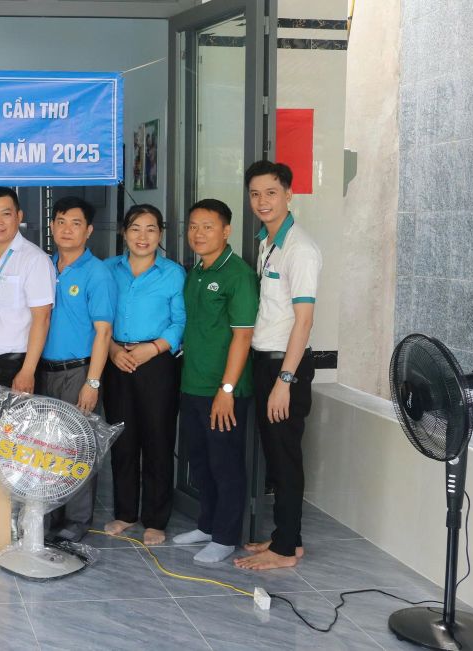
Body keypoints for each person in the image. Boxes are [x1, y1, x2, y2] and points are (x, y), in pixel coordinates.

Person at [235, 160, 321, 571]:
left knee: (285, 458)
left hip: (286, 367)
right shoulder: (268, 241)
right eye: (255, 194)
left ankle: (285, 550)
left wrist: (285, 380)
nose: (262, 201)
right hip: (266, 361)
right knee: (275, 455)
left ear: (288, 194)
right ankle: (289, 538)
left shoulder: (300, 248)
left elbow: (304, 320)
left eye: (271, 193)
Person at [172, 199, 259, 563]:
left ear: (226, 231)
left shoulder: (237, 275)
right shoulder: (196, 272)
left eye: (208, 227)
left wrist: (227, 390)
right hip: (192, 383)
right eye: (193, 226)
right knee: (200, 460)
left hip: (223, 390)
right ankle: (207, 525)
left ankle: (225, 537)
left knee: (225, 463)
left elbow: (243, 336)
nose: (198, 233)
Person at [101, 204, 186, 546]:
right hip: (117, 360)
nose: (143, 236)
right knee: (122, 439)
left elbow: (180, 321)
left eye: (151, 229)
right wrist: (112, 351)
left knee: (157, 440)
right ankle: (125, 513)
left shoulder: (173, 273)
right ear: (124, 232)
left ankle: (155, 518)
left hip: (157, 363)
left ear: (160, 234)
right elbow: (98, 317)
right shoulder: (108, 270)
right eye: (135, 228)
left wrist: (153, 348)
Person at [39, 196, 115, 543]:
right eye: (61, 222)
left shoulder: (97, 273)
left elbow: (104, 332)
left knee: (78, 447)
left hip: (79, 373)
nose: (67, 229)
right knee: (46, 446)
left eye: (75, 223)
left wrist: (92, 382)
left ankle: (77, 520)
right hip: (44, 371)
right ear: (52, 226)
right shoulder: (44, 266)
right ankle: (50, 514)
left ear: (88, 230)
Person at [0, 187, 55, 417]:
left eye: (5, 214)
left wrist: (28, 371)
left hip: (17, 367)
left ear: (19, 216)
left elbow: (42, 318)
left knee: (15, 436)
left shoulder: (34, 259)